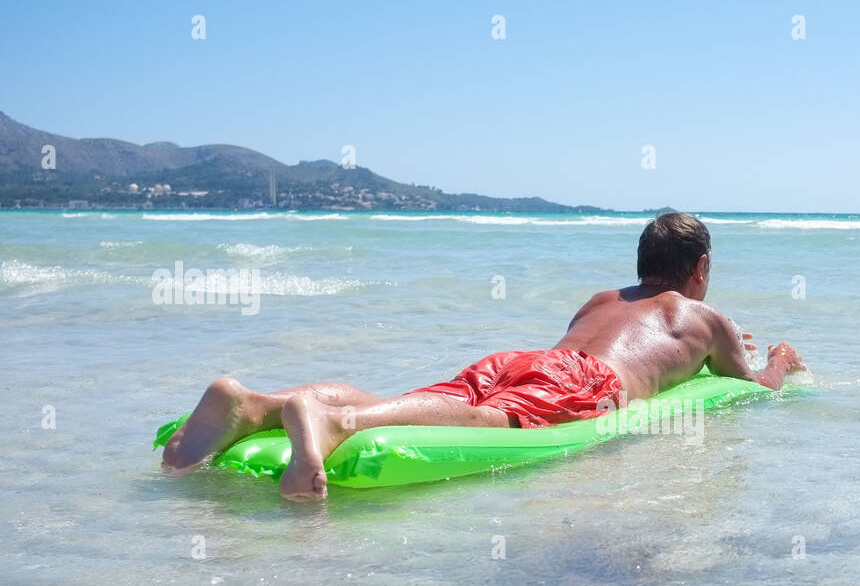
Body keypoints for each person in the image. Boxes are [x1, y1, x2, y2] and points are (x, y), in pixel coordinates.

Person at [162, 212, 805, 499]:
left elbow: (585, 352)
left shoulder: (603, 296)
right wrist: (780, 361)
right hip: (587, 381)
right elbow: (754, 388)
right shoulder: (705, 316)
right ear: (702, 268)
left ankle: (258, 404)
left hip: (519, 359)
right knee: (496, 422)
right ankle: (337, 423)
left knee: (447, 401)